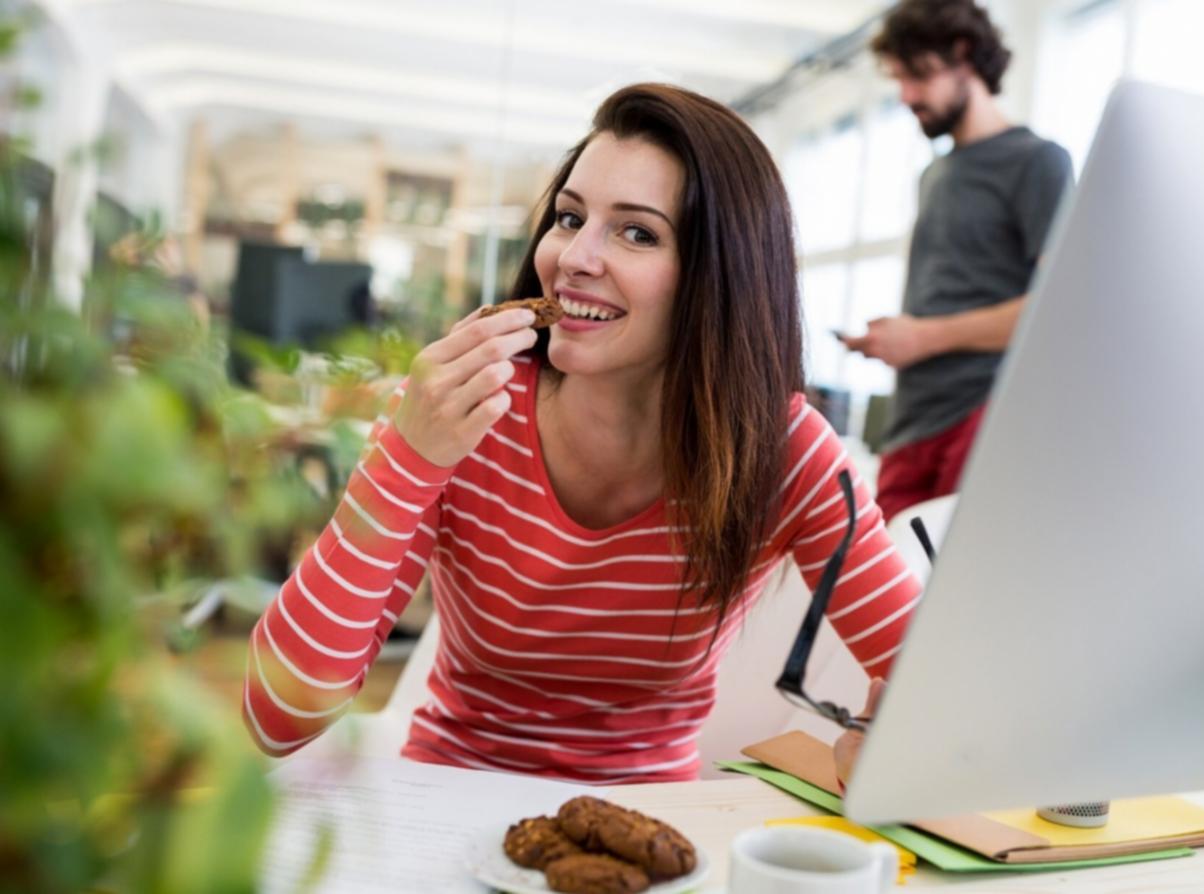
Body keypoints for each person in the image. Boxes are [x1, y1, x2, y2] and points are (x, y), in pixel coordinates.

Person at [243, 84, 922, 784]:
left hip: (651, 836)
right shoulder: (463, 412)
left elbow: (933, 686)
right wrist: (404, 461)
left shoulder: (779, 451)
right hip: (444, 802)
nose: (572, 257)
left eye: (636, 232)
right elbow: (277, 717)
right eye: (570, 218)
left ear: (719, 280)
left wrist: (888, 732)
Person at [841, 0, 1073, 523]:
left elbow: (1057, 309)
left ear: (963, 56)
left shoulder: (1038, 162)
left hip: (983, 416)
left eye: (917, 76)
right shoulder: (935, 175)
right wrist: (897, 338)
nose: (906, 96)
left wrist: (922, 337)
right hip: (911, 422)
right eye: (899, 79)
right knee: (893, 591)